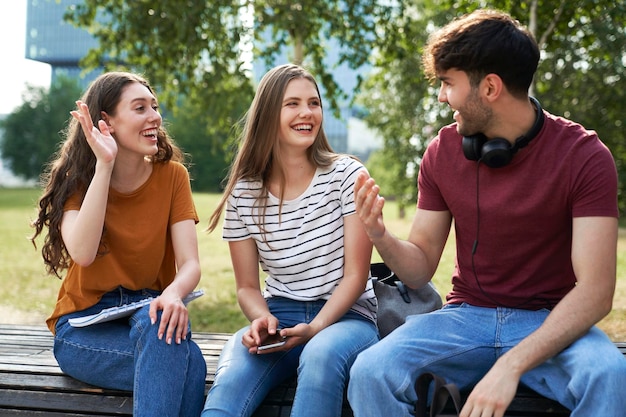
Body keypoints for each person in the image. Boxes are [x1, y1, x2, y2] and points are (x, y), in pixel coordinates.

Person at [347, 9, 626, 417]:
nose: (441, 97)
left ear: (490, 87)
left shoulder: (585, 156)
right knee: (371, 371)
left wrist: (510, 366)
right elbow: (420, 268)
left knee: (608, 374)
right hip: (465, 319)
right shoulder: (441, 152)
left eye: (448, 84)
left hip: (549, 322)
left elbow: (596, 292)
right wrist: (380, 235)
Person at [201, 63, 378, 417]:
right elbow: (247, 287)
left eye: (313, 103)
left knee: (319, 356)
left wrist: (315, 328)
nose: (307, 113)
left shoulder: (347, 176)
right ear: (268, 115)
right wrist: (261, 320)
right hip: (278, 316)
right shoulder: (244, 192)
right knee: (229, 386)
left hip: (348, 318)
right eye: (292, 104)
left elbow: (356, 277)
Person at [30, 71, 207, 417]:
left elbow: (190, 264)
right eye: (140, 108)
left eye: (154, 106)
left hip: (150, 310)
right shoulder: (79, 179)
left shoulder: (173, 176)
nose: (155, 116)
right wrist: (104, 165)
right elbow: (81, 252)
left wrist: (173, 294)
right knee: (188, 364)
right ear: (106, 122)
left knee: (170, 346)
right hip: (82, 328)